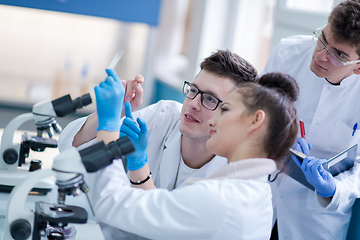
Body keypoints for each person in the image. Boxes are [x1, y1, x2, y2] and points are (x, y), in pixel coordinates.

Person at [58, 50, 258, 238]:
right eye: (193, 90)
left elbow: (161, 227)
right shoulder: (164, 116)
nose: (194, 104)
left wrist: (138, 163)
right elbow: (70, 147)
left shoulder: (228, 178)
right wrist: (111, 114)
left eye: (210, 99)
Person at [88, 70, 299, 240]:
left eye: (224, 109)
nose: (212, 121)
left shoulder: (221, 200)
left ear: (255, 121)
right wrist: (138, 162)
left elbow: (110, 203)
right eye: (193, 91)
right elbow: (159, 214)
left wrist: (108, 124)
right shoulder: (255, 192)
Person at [262, 0, 360, 239]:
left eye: (338, 54)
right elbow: (254, 113)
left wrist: (333, 188)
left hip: (315, 220)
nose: (321, 56)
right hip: (264, 193)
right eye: (323, 39)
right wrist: (278, 132)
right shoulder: (287, 52)